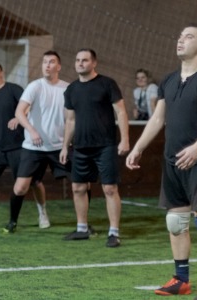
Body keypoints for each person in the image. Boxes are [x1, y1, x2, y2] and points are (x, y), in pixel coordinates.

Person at [127, 25, 197, 299]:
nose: (181, 40)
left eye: (189, 37)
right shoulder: (169, 80)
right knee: (175, 222)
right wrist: (138, 147)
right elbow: (158, 119)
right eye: (180, 36)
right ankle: (181, 279)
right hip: (173, 163)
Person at [59, 49, 129, 247]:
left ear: (94, 63)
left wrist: (125, 140)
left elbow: (121, 112)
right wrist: (65, 146)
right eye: (78, 60)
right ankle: (82, 229)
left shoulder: (107, 84)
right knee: (78, 187)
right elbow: (70, 120)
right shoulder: (71, 89)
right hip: (80, 147)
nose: (80, 63)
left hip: (105, 145)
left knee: (109, 188)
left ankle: (114, 232)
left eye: (85, 60)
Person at [0, 62, 48, 230]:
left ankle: (42, 213)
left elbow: (30, 106)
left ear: (1, 73)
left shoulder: (14, 89)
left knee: (34, 181)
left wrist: (18, 117)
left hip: (19, 146)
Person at [6, 50, 71, 234]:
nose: (47, 65)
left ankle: (83, 224)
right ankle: (13, 222)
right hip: (33, 147)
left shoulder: (68, 88)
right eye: (44, 62)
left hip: (59, 147)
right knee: (20, 188)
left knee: (80, 184)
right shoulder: (34, 86)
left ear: (58, 67)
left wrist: (67, 143)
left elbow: (72, 118)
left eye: (51, 62)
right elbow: (20, 112)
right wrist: (32, 130)